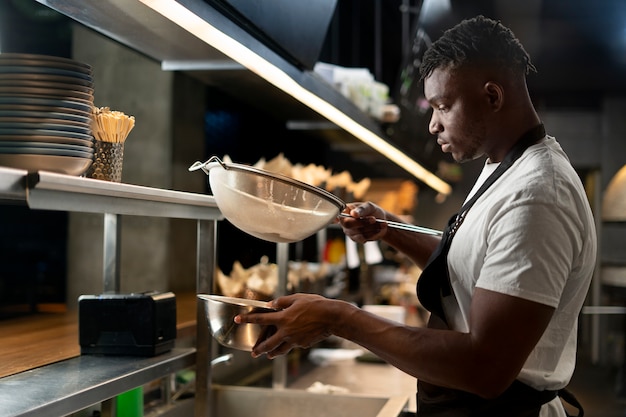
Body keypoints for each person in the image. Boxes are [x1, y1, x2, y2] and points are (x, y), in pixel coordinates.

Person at [235, 15, 596, 416]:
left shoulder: (538, 194)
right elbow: (467, 268)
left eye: (443, 105)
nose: (433, 124)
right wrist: (389, 230)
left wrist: (340, 319)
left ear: (492, 97)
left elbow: (486, 367)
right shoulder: (503, 167)